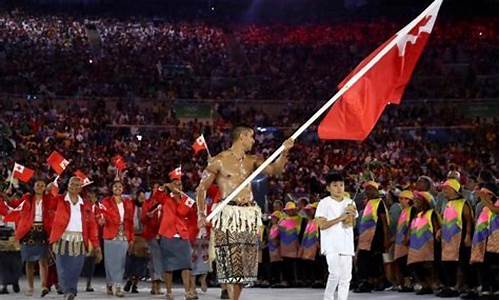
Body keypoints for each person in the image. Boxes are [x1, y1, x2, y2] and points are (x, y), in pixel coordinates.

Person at [196, 126, 294, 300]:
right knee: (230, 265)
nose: (254, 140)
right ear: (242, 137)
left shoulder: (253, 160)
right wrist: (201, 215)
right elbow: (201, 188)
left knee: (244, 268)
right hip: (228, 216)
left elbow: (275, 171)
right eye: (251, 137)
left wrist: (284, 153)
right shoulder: (219, 160)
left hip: (248, 216)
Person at [49, 176, 102, 300]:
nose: (74, 187)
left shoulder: (86, 204)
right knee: (62, 268)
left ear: (80, 188)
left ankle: (71, 290)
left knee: (76, 269)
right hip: (62, 239)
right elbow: (48, 204)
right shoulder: (59, 200)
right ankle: (68, 291)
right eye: (72, 184)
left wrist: (96, 245)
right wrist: (48, 191)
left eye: (77, 185)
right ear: (68, 186)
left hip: (79, 240)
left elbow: (92, 226)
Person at [3, 178, 55, 297]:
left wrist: (51, 191)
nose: (40, 187)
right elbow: (13, 204)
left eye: (42, 185)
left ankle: (43, 286)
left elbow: (56, 202)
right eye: (38, 185)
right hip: (28, 231)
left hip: (43, 231)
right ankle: (30, 287)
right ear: (33, 187)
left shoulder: (48, 199)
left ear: (45, 188)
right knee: (29, 262)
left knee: (43, 261)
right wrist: (6, 195)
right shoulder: (27, 198)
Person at [150, 176, 194, 300]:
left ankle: (188, 292)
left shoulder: (188, 200)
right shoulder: (165, 198)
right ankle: (169, 292)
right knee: (168, 266)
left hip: (182, 236)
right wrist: (163, 187)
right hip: (167, 234)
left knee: (186, 265)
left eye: (179, 185)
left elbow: (181, 212)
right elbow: (156, 196)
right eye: (175, 184)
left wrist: (176, 196)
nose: (177, 186)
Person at [315, 172, 357, 300]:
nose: (339, 188)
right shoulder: (324, 203)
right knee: (335, 274)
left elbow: (352, 224)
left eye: (341, 185)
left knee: (346, 277)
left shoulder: (350, 202)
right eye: (335, 185)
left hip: (346, 244)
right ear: (328, 188)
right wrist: (341, 217)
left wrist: (350, 217)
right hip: (331, 244)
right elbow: (322, 225)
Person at [97, 181, 135, 297]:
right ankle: (110, 283)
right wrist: (101, 220)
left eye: (120, 186)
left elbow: (130, 221)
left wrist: (131, 237)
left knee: (121, 262)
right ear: (112, 188)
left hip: (123, 235)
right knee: (110, 262)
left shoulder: (128, 203)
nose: (118, 188)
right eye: (115, 186)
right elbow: (100, 215)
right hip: (110, 234)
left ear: (123, 189)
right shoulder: (105, 201)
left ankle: (117, 286)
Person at [439, 178, 474, 298]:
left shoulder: (463, 203)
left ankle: (459, 286)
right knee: (448, 262)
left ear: (454, 189)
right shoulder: (447, 203)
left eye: (446, 188)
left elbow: (469, 220)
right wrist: (440, 230)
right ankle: (452, 285)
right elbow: (445, 220)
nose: (444, 191)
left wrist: (468, 235)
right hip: (448, 238)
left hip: (461, 236)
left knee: (461, 262)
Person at [355, 181, 390, 293]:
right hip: (365, 238)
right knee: (364, 260)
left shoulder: (379, 202)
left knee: (375, 260)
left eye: (371, 189)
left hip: (376, 236)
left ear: (376, 191)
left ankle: (378, 281)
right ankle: (367, 282)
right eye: (367, 190)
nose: (368, 192)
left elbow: (384, 222)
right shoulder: (368, 204)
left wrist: (386, 238)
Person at [407, 191, 441, 295]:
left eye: (419, 199)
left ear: (425, 201)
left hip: (428, 245)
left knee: (430, 266)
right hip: (415, 246)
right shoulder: (415, 215)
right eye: (415, 199)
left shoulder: (432, 213)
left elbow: (436, 227)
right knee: (415, 265)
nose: (415, 200)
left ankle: (434, 284)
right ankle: (425, 285)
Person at [470, 183, 499, 299]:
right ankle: (487, 288)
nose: (481, 196)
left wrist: (483, 199)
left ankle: (497, 289)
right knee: (482, 264)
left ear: (491, 195)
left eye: (484, 194)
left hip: (497, 242)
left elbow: (495, 211)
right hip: (484, 241)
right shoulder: (483, 208)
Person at [141, 184, 163, 295]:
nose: (157, 190)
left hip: (163, 236)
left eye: (159, 188)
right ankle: (155, 284)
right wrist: (147, 216)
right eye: (155, 188)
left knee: (160, 260)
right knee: (154, 260)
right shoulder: (147, 203)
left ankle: (158, 283)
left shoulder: (165, 203)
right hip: (151, 235)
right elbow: (143, 220)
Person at [393, 190, 416, 292]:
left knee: (406, 262)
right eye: (400, 198)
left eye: (403, 198)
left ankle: (409, 283)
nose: (401, 201)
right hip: (399, 241)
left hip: (407, 241)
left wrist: (408, 236)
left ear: (409, 200)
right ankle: (406, 283)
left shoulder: (412, 210)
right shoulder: (403, 211)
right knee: (401, 261)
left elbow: (412, 223)